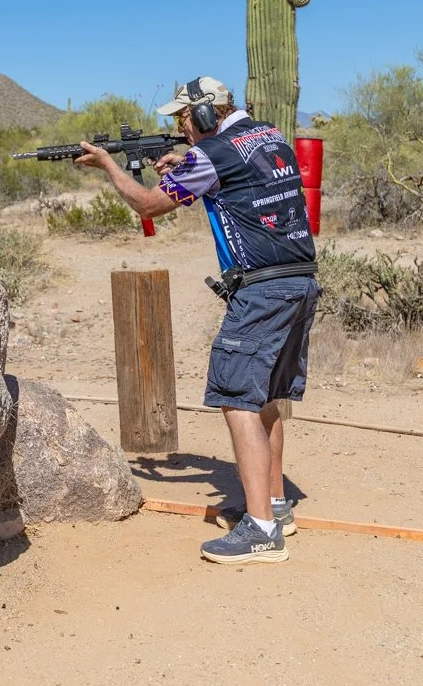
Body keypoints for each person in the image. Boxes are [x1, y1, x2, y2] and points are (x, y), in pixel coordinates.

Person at [72, 77, 319, 565]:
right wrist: (186, 165)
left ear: (205, 114)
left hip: (261, 290)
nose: (182, 127)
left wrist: (108, 166)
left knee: (236, 397)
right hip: (299, 281)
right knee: (266, 399)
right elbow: (240, 183)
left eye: (184, 118)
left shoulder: (212, 153)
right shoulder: (272, 137)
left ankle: (262, 533)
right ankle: (274, 506)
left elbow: (148, 205)